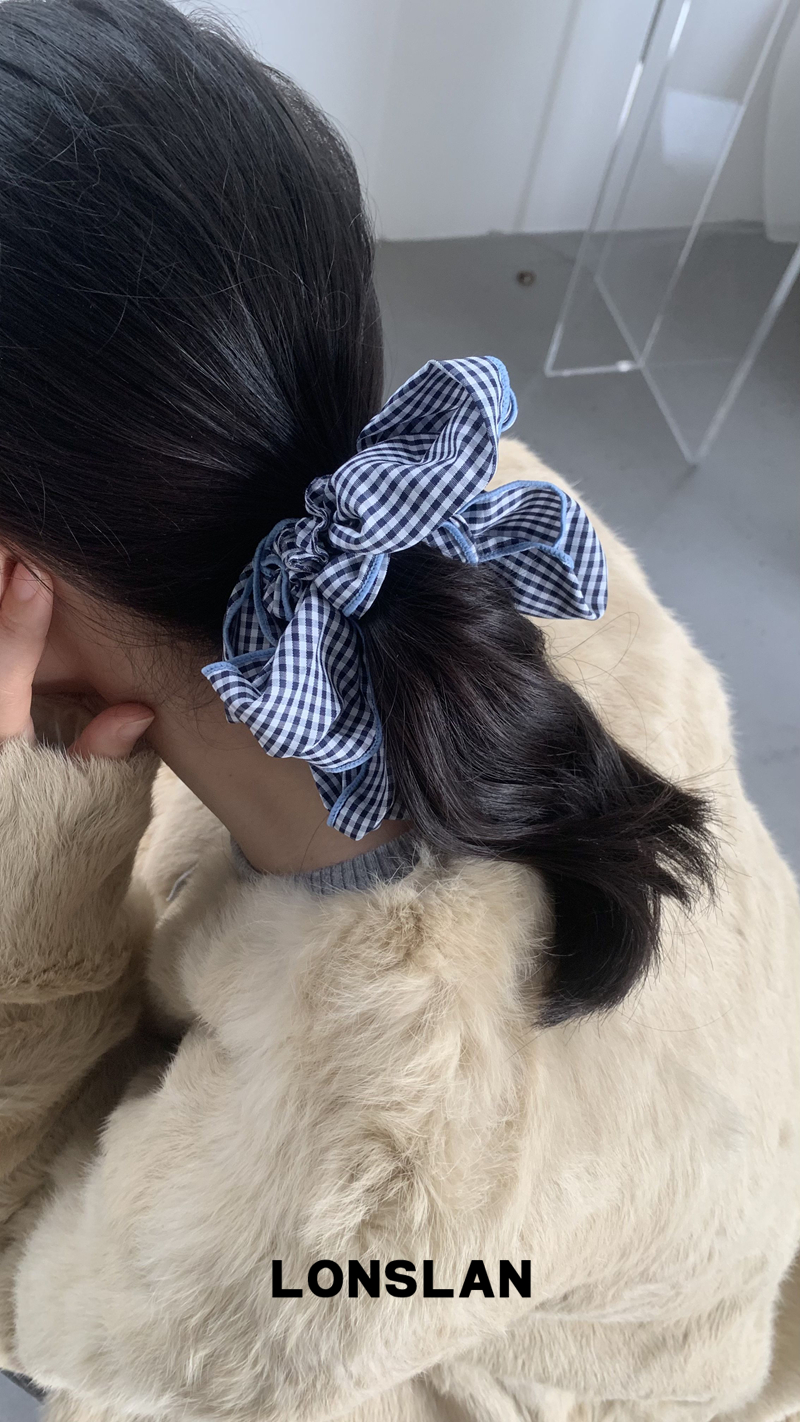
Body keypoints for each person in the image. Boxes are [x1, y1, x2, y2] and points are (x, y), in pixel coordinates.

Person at [0, 1, 798, 1420]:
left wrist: (25, 830)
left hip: (502, 1353)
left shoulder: (362, 1184)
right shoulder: (468, 513)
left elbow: (38, 1294)